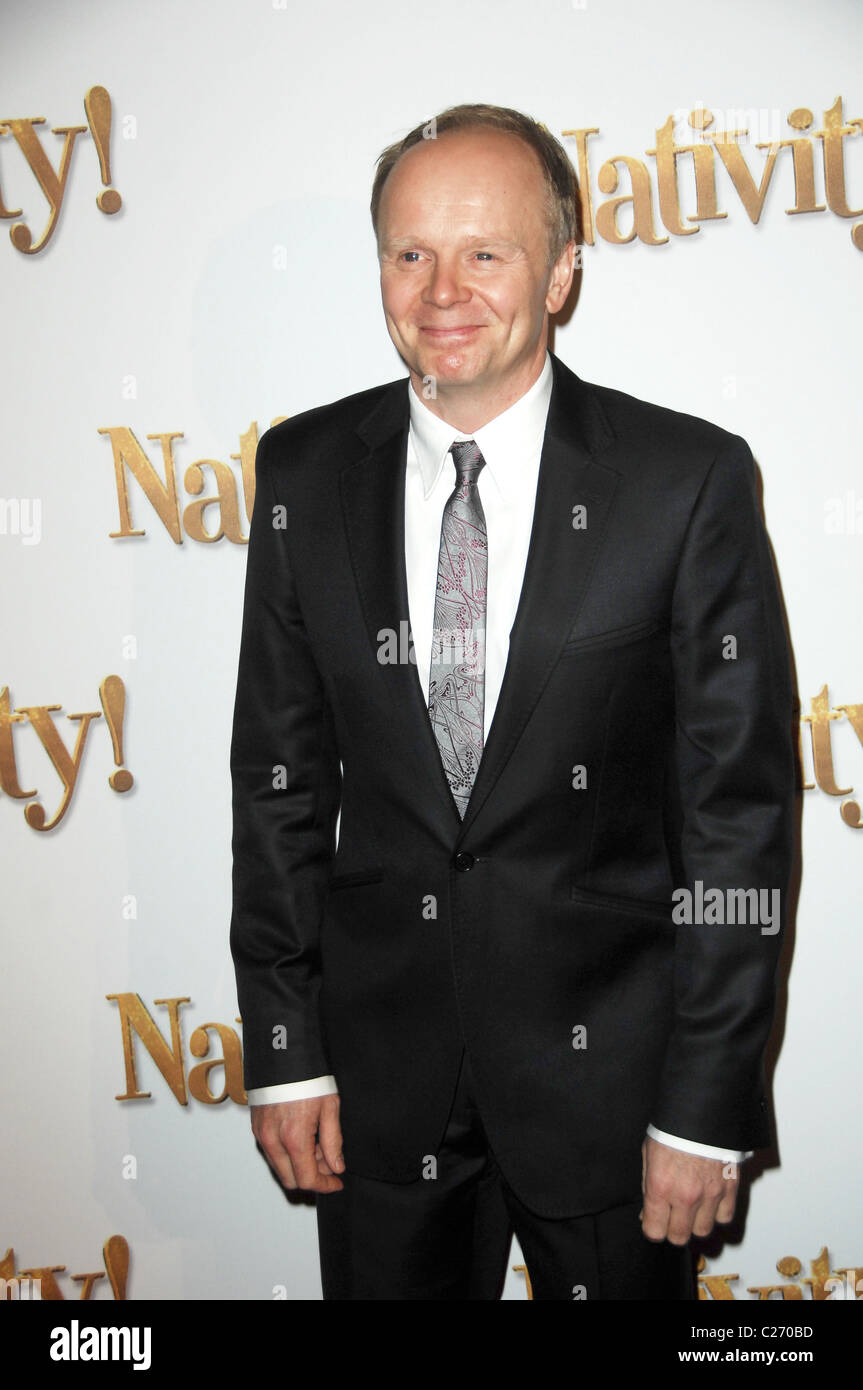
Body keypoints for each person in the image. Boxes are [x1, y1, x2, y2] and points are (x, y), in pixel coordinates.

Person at [229, 103, 795, 1301]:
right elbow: (278, 782)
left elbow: (735, 820)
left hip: (615, 1096)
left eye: (485, 252)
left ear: (562, 273)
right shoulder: (301, 471)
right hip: (378, 1091)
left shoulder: (681, 481)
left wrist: (704, 1104)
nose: (442, 289)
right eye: (409, 252)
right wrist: (284, 1049)